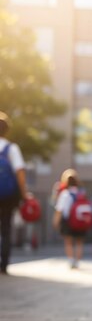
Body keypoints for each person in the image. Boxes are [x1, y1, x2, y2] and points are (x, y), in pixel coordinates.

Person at [0, 111, 33, 275]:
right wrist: (24, 193)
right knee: (6, 229)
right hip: (7, 195)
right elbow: (20, 173)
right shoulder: (11, 148)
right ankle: (4, 264)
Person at [53, 169, 89, 269]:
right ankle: (77, 261)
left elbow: (59, 209)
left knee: (68, 241)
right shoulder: (81, 192)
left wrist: (56, 221)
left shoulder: (65, 194)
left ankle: (71, 260)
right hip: (80, 220)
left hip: (67, 221)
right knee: (79, 242)